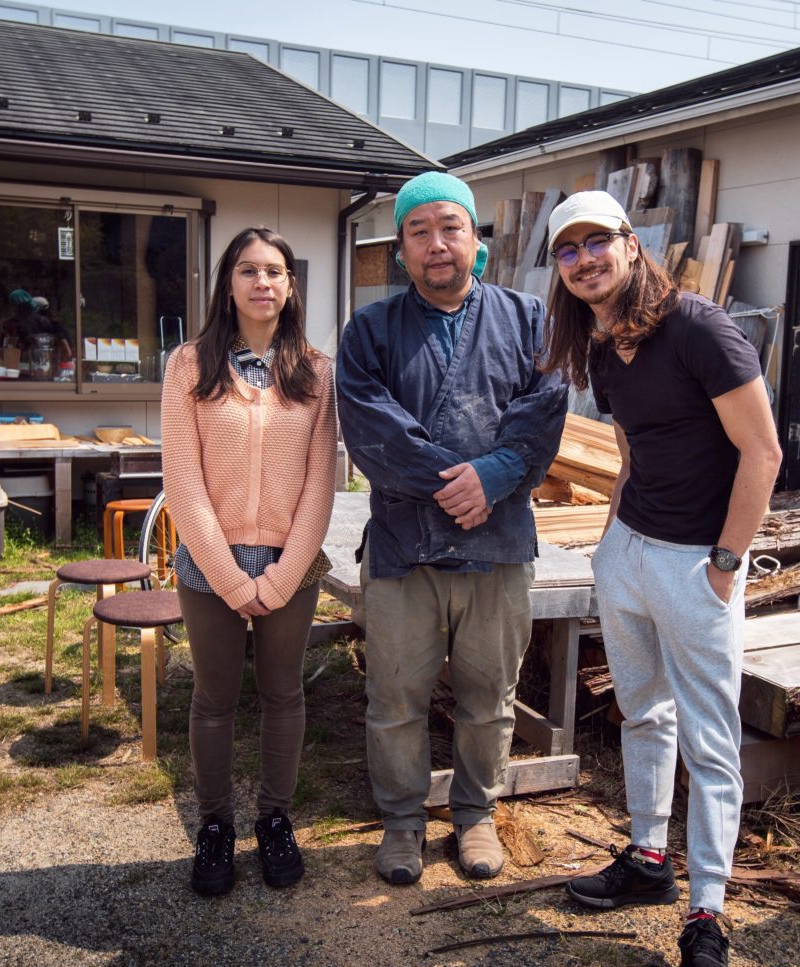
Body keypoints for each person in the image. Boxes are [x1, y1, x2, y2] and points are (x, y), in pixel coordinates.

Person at [542, 191, 782, 967]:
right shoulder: (606, 345)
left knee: (711, 745)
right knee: (643, 713)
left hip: (695, 566)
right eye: (567, 250)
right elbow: (630, 448)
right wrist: (613, 540)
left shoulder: (700, 329)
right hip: (631, 556)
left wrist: (724, 562)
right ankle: (649, 857)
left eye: (595, 242)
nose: (583, 260)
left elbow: (764, 451)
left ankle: (706, 918)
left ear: (631, 244)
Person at [336, 171, 568, 886]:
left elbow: (545, 409)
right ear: (400, 251)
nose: (437, 245)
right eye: (418, 232)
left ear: (476, 240)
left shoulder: (531, 319)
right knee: (396, 698)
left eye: (450, 227)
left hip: (497, 547)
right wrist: (460, 484)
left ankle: (474, 815)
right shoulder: (369, 331)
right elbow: (372, 427)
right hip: (406, 547)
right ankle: (403, 821)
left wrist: (496, 478)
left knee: (488, 696)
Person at [161, 226, 337, 897]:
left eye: (276, 271)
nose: (263, 282)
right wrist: (234, 580)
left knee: (284, 694)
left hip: (292, 561)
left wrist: (282, 575)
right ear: (227, 284)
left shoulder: (316, 371)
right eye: (248, 270)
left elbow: (322, 482)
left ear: (291, 286)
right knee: (213, 699)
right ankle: (213, 828)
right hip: (211, 563)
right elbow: (183, 480)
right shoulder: (189, 366)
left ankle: (274, 820)